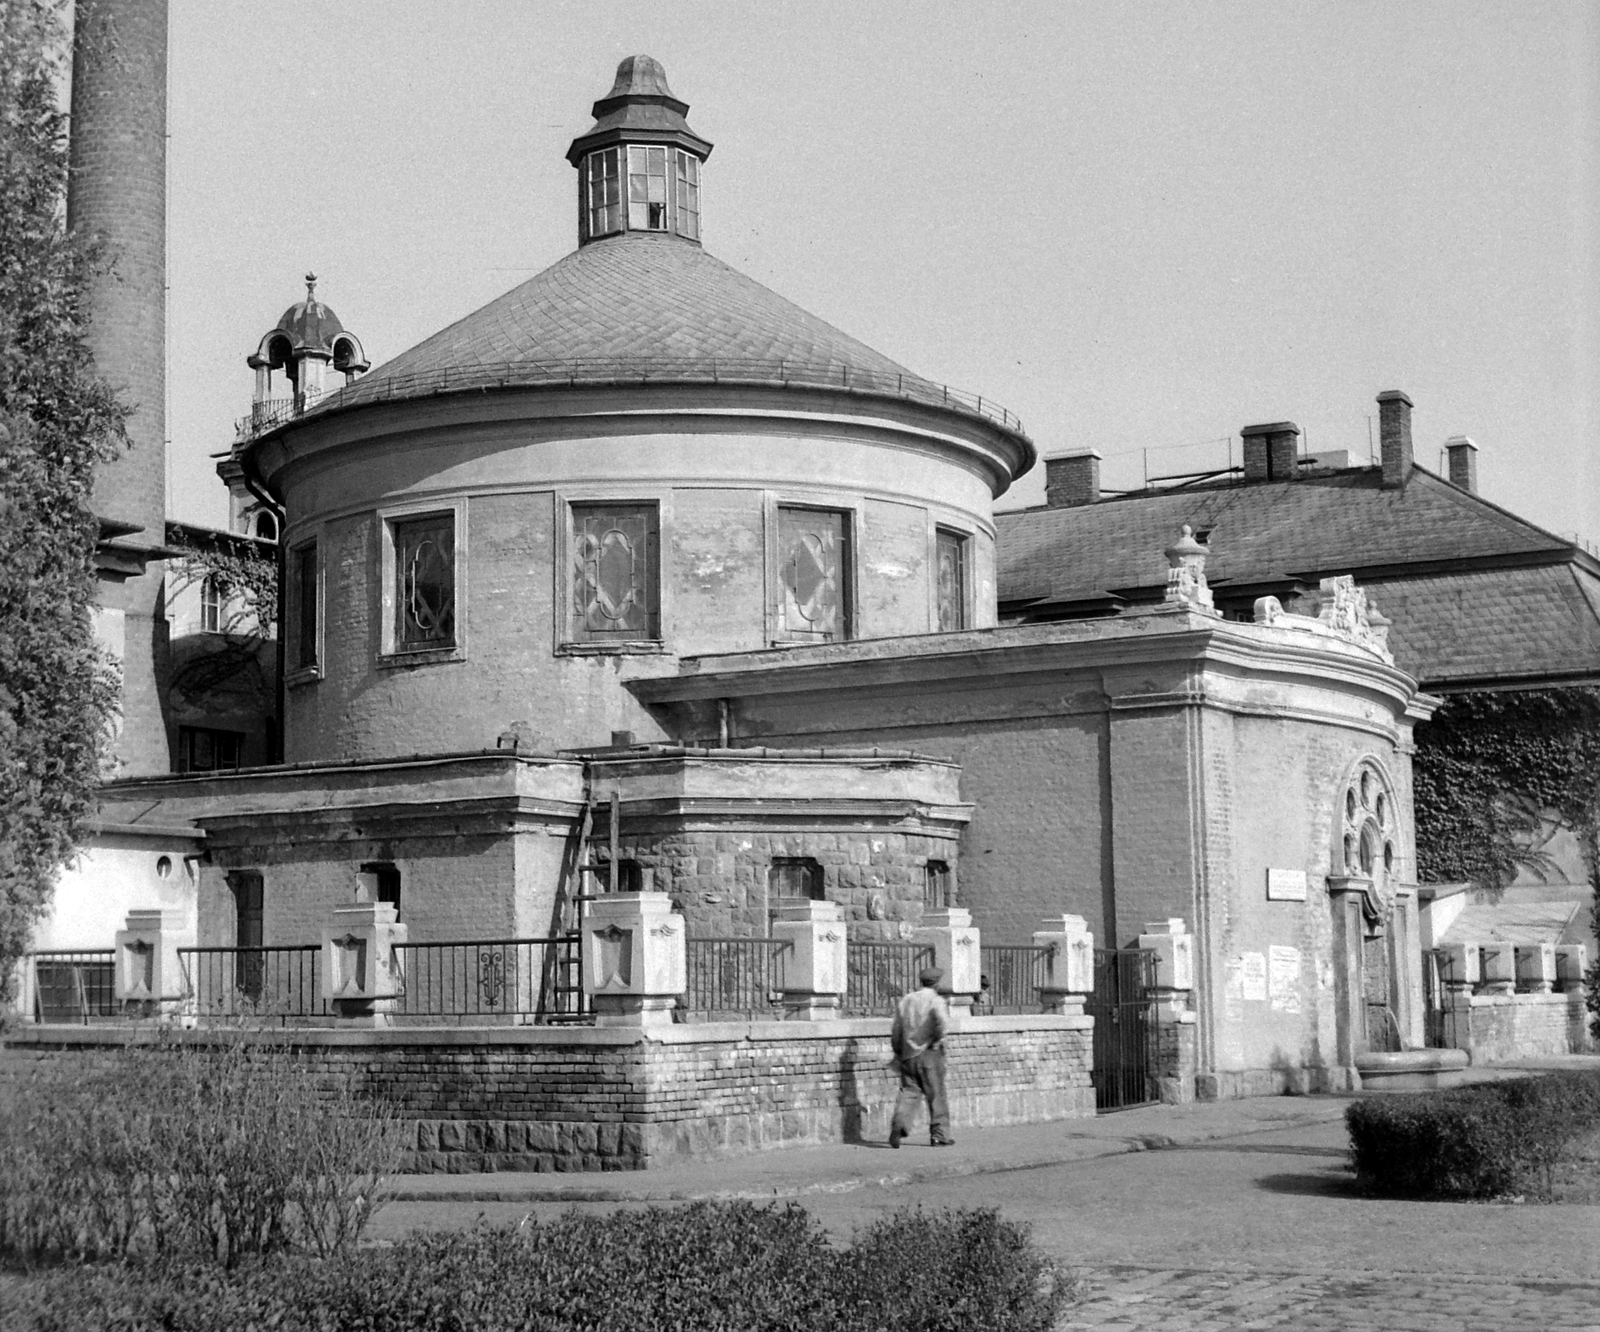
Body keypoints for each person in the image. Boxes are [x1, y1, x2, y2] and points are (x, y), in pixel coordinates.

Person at [888, 966, 954, 1147]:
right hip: (929, 1054)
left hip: (908, 1053)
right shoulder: (936, 1000)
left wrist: (899, 1051)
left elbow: (896, 1029)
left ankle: (899, 1125)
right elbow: (943, 1023)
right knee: (936, 1094)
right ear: (937, 983)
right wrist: (937, 1040)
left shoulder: (907, 1000)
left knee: (909, 1092)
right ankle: (939, 1135)